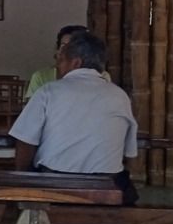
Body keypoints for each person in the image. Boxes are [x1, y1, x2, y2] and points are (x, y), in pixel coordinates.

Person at [9, 29, 138, 205]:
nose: (58, 67)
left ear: (76, 62)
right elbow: (128, 152)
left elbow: (25, 141)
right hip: (106, 188)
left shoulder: (49, 92)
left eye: (62, 61)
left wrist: (23, 180)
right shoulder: (119, 96)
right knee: (124, 190)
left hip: (55, 184)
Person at [26, 23, 89, 99]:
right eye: (63, 46)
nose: (67, 51)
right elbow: (33, 108)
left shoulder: (99, 78)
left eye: (74, 47)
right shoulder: (40, 77)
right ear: (57, 50)